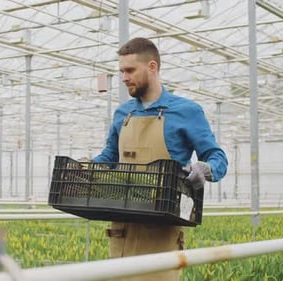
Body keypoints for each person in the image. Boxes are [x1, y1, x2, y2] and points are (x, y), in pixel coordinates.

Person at [92, 37, 228, 281]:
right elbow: (109, 157)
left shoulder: (186, 111)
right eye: (122, 70)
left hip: (161, 232)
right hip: (122, 229)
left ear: (152, 67)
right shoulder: (123, 113)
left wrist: (204, 169)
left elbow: (217, 157)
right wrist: (87, 167)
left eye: (130, 70)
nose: (124, 77)